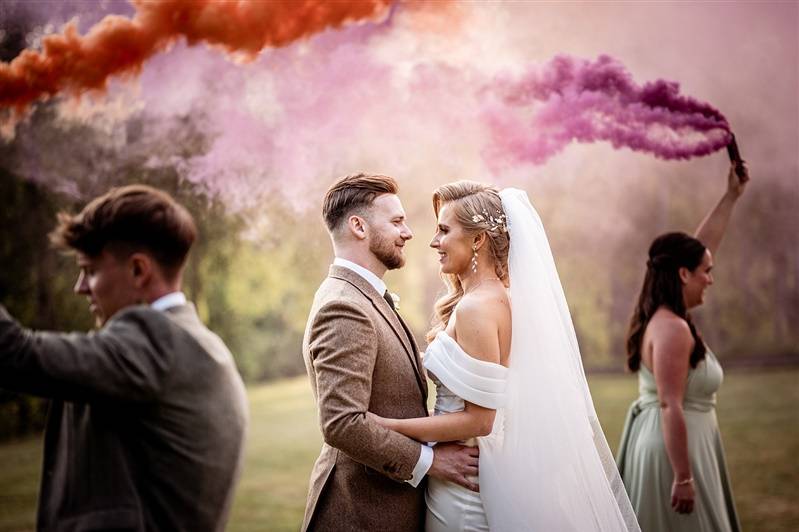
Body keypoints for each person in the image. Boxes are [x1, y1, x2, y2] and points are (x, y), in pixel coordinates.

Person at [371, 181, 640, 531]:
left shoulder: (477, 309)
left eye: (444, 230)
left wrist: (388, 428)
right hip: (470, 471)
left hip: (463, 488)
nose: (434, 241)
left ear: (478, 239)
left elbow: (481, 421)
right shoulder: (497, 297)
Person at [0, 185, 249, 531]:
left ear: (138, 271)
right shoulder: (199, 342)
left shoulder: (153, 338)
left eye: (89, 270)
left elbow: (14, 355)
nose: (80, 287)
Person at [301, 173, 481, 531]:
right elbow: (342, 423)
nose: (409, 232)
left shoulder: (364, 296)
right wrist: (428, 461)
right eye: (397, 221)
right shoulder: (345, 306)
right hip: (361, 513)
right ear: (359, 227)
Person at [616, 163, 748, 532]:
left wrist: (731, 196)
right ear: (683, 274)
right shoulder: (673, 328)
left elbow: (699, 249)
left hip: (671, 447)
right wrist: (684, 477)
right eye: (705, 271)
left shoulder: (663, 314)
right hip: (675, 457)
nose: (711, 279)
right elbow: (670, 403)